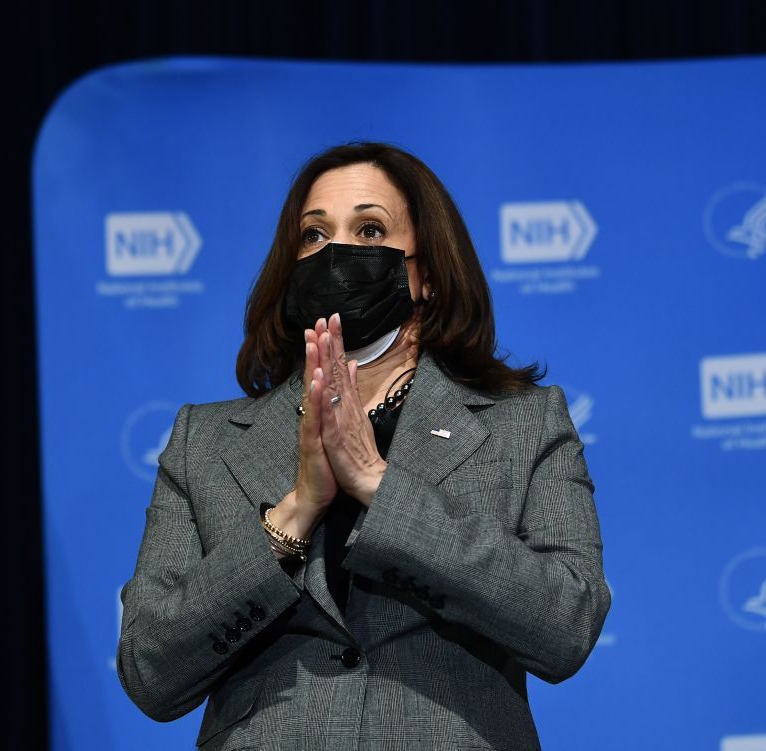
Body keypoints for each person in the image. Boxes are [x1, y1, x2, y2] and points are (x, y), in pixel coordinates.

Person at [117, 142, 610, 751]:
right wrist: (293, 514)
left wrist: (381, 486)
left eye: (370, 229)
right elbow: (149, 672)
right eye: (314, 235)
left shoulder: (523, 425)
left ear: (425, 273)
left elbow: (565, 626)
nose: (336, 254)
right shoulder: (206, 440)